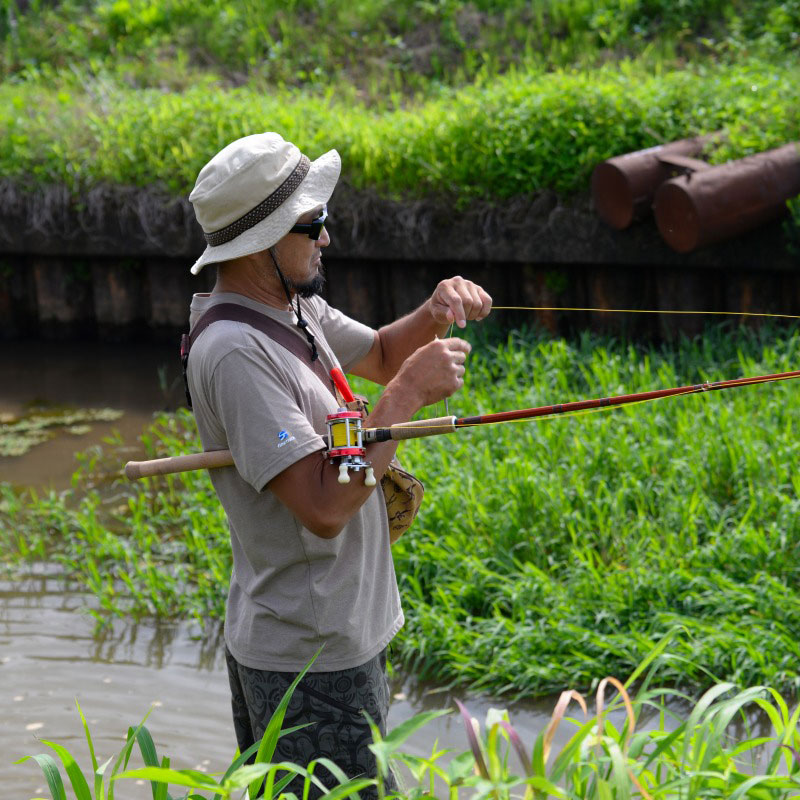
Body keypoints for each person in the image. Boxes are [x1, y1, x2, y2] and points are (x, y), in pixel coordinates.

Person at [185, 132, 492, 796]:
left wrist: (434, 313)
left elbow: (381, 351)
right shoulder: (237, 352)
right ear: (260, 241)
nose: (327, 237)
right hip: (310, 656)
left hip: (333, 636)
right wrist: (407, 395)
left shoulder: (289, 307)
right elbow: (325, 506)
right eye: (313, 223)